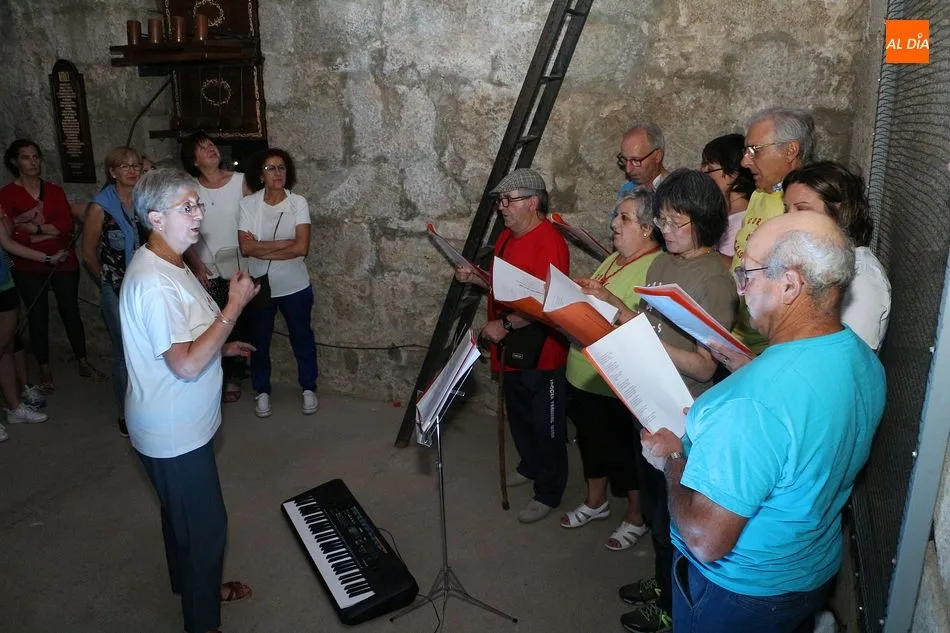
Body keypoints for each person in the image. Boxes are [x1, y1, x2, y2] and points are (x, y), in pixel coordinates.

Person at [640, 212, 886, 633]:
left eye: (748, 274)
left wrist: (672, 456)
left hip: (739, 593)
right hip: (808, 569)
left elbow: (705, 538)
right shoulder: (861, 358)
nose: (740, 288)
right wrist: (754, 370)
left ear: (790, 284)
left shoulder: (753, 404)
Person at [120, 168, 256, 633]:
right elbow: (184, 365)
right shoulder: (155, 281)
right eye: (187, 207)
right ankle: (203, 623)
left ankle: (192, 586)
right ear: (155, 217)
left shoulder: (171, 260)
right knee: (206, 530)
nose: (199, 214)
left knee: (179, 517)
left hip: (173, 424)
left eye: (199, 204)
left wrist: (222, 345)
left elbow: (188, 336)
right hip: (172, 431)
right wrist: (235, 307)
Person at [619, 168, 738, 633]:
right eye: (662, 220)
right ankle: (661, 580)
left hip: (684, 413)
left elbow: (707, 367)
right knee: (654, 507)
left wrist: (647, 343)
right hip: (648, 400)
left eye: (674, 222)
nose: (664, 230)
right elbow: (649, 321)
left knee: (677, 515)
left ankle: (673, 605)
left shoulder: (714, 279)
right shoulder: (663, 263)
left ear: (703, 221)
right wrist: (618, 315)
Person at [455, 168, 570, 524]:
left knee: (547, 425)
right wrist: (476, 277)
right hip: (511, 349)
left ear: (533, 202)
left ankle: (549, 491)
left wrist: (503, 324)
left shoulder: (550, 242)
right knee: (519, 414)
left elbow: (548, 303)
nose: (502, 208)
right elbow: (503, 286)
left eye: (509, 200)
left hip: (543, 352)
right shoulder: (507, 238)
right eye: (500, 202)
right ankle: (531, 465)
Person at [710, 161, 892, 374]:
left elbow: (843, 372)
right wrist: (752, 366)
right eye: (787, 209)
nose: (789, 219)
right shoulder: (818, 265)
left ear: (840, 211)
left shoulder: (862, 279)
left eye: (802, 209)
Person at [561, 190, 660, 549]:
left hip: (614, 380)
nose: (614, 224)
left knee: (622, 452)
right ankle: (595, 501)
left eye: (624, 219)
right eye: (616, 216)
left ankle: (636, 515)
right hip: (582, 369)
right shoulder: (616, 259)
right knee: (590, 442)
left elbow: (643, 330)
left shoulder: (653, 267)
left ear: (649, 229)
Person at [0, 139, 103, 391]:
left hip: (63, 261)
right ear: (15, 162)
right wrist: (47, 233)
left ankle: (83, 359)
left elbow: (66, 226)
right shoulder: (6, 195)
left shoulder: (54, 191)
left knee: (71, 311)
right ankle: (44, 368)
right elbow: (12, 235)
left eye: (36, 157)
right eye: (26, 157)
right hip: (26, 265)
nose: (33, 162)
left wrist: (34, 230)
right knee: (37, 315)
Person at [238, 148, 317, 418]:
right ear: (260, 175)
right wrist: (284, 244)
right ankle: (262, 391)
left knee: (302, 337)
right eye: (270, 168)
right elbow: (246, 249)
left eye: (281, 167)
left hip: (295, 285)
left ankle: (309, 387)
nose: (277, 173)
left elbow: (302, 247)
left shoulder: (298, 203)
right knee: (259, 340)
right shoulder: (249, 205)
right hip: (259, 285)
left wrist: (263, 246)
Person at [730, 108, 815, 354]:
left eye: (755, 151)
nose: (745, 161)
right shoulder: (759, 194)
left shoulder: (805, 207)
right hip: (737, 335)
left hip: (769, 347)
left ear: (790, 151)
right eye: (746, 151)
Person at [181, 132, 252, 404]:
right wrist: (196, 264)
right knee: (215, 323)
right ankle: (216, 375)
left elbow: (253, 215)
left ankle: (235, 376)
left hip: (239, 263)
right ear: (193, 160)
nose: (210, 149)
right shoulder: (189, 189)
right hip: (207, 266)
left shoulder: (240, 181)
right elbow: (185, 228)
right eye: (202, 148)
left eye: (211, 145)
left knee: (240, 321)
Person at [81, 146, 144, 437]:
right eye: (125, 166)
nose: (132, 170)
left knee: (146, 350)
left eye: (136, 165)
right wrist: (108, 281)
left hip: (145, 285)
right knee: (124, 353)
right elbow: (89, 253)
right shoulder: (100, 206)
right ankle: (125, 412)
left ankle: (147, 406)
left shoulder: (145, 200)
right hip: (117, 287)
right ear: (113, 172)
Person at [0, 211, 66, 440]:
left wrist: (46, 258)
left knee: (6, 346)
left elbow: (7, 241)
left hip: (3, 283)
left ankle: (14, 407)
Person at [699, 134, 756, 265]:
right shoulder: (724, 212)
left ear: (733, 174)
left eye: (709, 169)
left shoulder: (742, 219)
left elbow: (735, 265)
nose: (702, 173)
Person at [613, 123, 669, 225]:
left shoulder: (678, 192)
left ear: (658, 156)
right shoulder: (627, 190)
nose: (628, 169)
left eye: (636, 160)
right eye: (625, 159)